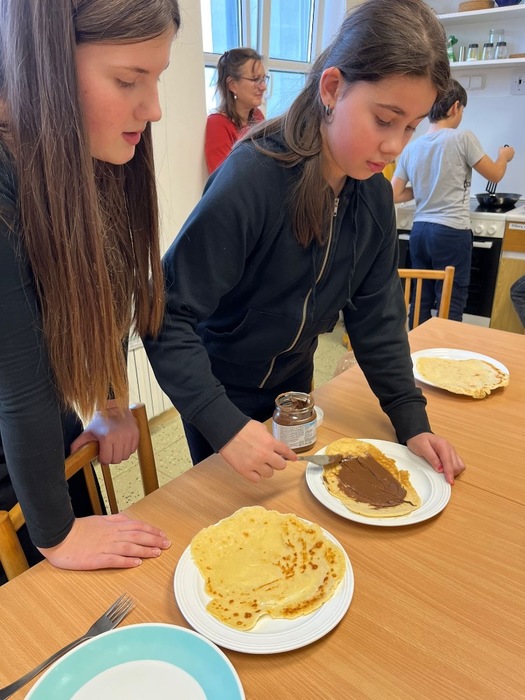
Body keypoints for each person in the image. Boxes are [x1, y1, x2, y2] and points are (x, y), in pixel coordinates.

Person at [144, 0, 465, 488]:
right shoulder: (253, 177)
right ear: (332, 88)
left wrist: (411, 420)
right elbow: (165, 316)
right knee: (231, 510)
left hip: (294, 390)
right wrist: (224, 426)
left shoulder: (374, 195)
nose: (396, 146)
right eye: (384, 120)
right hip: (220, 393)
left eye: (411, 126)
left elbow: (378, 317)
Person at [0, 0, 181, 581]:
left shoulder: (75, 150)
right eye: (128, 80)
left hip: (43, 435)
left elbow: (92, 290)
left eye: (156, 78)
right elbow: (17, 386)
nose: (153, 109)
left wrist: (109, 402)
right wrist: (55, 531)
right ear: (48, 62)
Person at [392, 79, 515, 327]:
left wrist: (425, 188)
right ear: (455, 107)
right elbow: (495, 175)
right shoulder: (462, 138)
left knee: (421, 295)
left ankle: (417, 345)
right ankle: (446, 347)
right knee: (451, 298)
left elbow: (394, 194)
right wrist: (504, 156)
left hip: (420, 232)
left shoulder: (412, 147)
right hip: (451, 231)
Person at [204, 48, 267, 174]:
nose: (263, 87)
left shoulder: (257, 116)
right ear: (233, 85)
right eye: (255, 79)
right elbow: (224, 180)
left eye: (264, 79)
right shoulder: (217, 124)